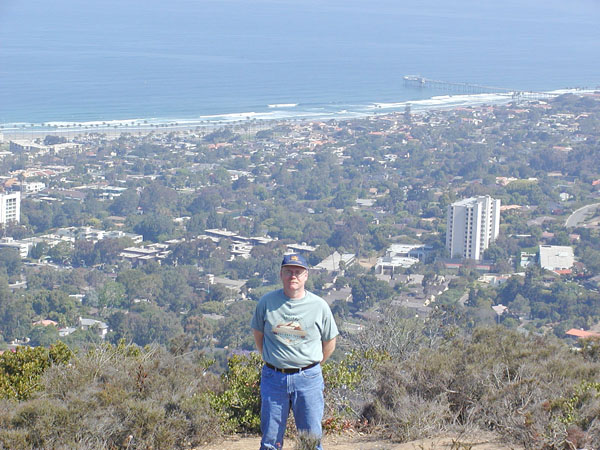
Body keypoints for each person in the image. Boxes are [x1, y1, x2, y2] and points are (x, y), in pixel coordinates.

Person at [251, 253, 339, 450]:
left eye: (298, 272)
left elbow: (330, 341)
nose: (293, 276)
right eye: (288, 271)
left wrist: (311, 365)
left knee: (310, 440)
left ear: (306, 275)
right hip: (274, 378)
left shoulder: (319, 306)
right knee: (270, 440)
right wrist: (271, 359)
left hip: (308, 379)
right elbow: (258, 333)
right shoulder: (266, 303)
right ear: (281, 274)